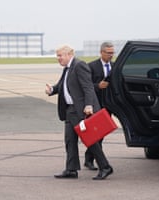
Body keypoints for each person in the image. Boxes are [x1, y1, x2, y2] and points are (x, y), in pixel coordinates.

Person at [45, 45, 113, 180]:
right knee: (70, 140)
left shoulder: (79, 65)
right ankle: (71, 169)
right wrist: (52, 89)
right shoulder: (67, 69)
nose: (58, 58)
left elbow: (88, 87)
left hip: (81, 110)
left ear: (69, 54)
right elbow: (62, 86)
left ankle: (105, 167)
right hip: (70, 110)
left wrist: (89, 105)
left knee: (90, 140)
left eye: (60, 56)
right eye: (57, 56)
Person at [84, 42, 115, 170]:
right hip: (96, 105)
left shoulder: (115, 66)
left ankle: (89, 158)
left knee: (101, 134)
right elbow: (86, 85)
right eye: (108, 53)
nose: (111, 55)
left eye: (112, 53)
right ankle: (90, 160)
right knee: (96, 134)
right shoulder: (91, 66)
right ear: (101, 52)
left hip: (109, 106)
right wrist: (98, 86)